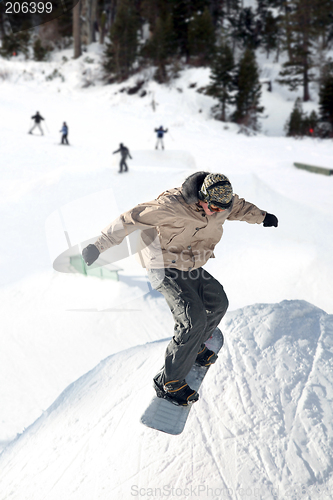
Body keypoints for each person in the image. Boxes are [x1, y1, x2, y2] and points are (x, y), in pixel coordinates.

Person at [82, 171, 278, 406]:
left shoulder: (223, 204)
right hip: (162, 265)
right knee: (192, 319)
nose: (216, 212)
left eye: (221, 210)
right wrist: (98, 246)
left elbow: (240, 208)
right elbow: (129, 219)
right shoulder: (171, 206)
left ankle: (194, 348)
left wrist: (263, 217)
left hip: (190, 264)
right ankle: (169, 382)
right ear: (201, 198)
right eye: (213, 208)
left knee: (218, 303)